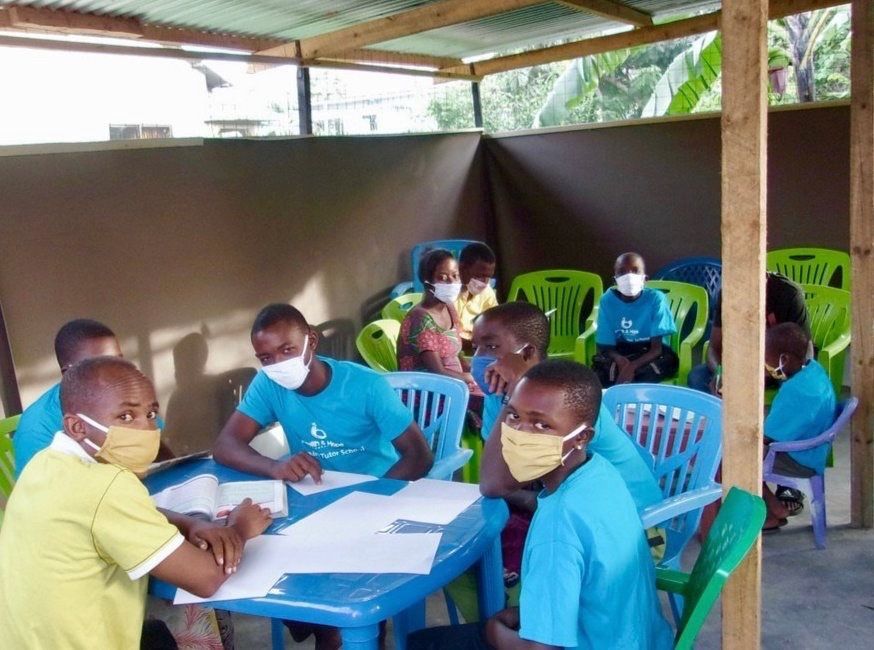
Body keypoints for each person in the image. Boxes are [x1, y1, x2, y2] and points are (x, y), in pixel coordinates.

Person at [0, 356, 271, 648]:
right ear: (77, 427)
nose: (145, 429)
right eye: (126, 417)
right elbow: (206, 579)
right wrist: (240, 527)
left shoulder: (44, 463)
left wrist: (187, 522)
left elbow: (97, 514)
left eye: (151, 414)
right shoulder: (107, 485)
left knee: (156, 635)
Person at [410, 360, 673, 650]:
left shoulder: (557, 526)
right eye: (512, 416)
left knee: (422, 643)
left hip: (591, 641)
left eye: (540, 424)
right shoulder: (601, 472)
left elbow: (540, 649)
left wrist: (493, 633)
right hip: (634, 636)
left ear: (582, 437)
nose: (520, 434)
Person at [14, 318, 172, 476]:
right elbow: (49, 493)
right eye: (98, 366)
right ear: (68, 373)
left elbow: (155, 445)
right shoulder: (35, 430)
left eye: (118, 362)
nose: (116, 373)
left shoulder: (127, 396)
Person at [761, 323, 836, 530]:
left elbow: (766, 437)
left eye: (766, 360)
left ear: (783, 359)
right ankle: (774, 507)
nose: (765, 366)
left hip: (800, 459)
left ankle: (770, 512)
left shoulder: (797, 392)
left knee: (731, 458)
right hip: (813, 451)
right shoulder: (813, 370)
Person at [687, 271, 810, 394]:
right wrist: (720, 372)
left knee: (796, 386)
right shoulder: (729, 293)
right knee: (697, 377)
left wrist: (770, 372)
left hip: (778, 368)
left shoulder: (789, 294)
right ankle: (721, 412)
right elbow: (713, 348)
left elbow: (805, 351)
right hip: (740, 367)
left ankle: (778, 413)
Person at [397, 248, 479, 396]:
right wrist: (467, 378)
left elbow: (457, 351)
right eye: (443, 277)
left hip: (454, 385)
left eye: (456, 276)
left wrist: (470, 371)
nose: (452, 282)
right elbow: (437, 371)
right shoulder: (420, 318)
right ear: (427, 282)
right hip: (427, 393)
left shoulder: (449, 307)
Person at [592, 252, 678, 387]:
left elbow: (657, 349)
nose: (629, 276)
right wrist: (620, 361)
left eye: (635, 271)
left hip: (650, 351)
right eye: (622, 272)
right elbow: (605, 345)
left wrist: (631, 367)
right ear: (615, 280)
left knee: (653, 370)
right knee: (601, 374)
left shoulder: (656, 299)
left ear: (645, 279)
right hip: (622, 350)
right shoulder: (607, 300)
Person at [455, 242, 499, 353]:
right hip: (452, 347)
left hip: (478, 346)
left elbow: (494, 323)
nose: (484, 282)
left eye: (488, 277)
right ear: (462, 269)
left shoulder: (487, 292)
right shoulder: (447, 292)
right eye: (479, 276)